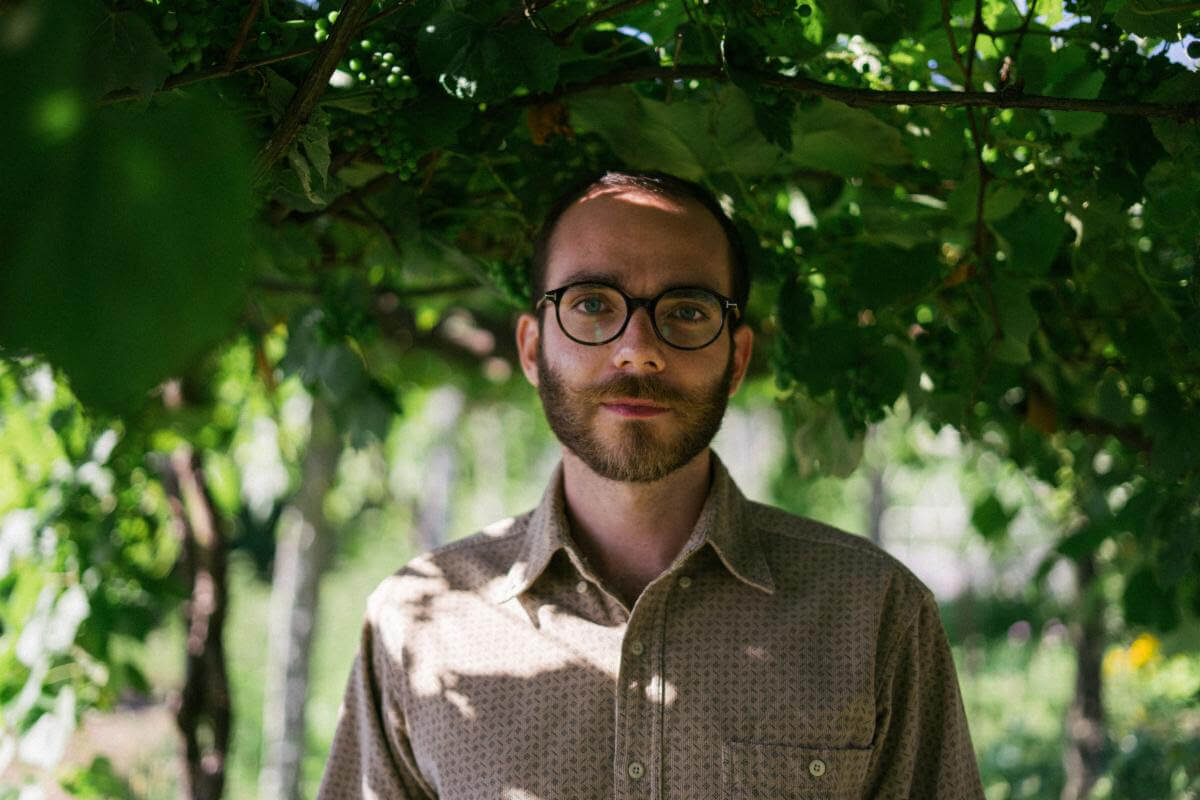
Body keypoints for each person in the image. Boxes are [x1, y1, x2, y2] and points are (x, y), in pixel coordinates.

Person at [317, 170, 986, 799]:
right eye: (591, 304)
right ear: (530, 349)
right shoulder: (419, 623)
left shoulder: (873, 613)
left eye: (688, 310)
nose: (637, 348)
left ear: (736, 360)